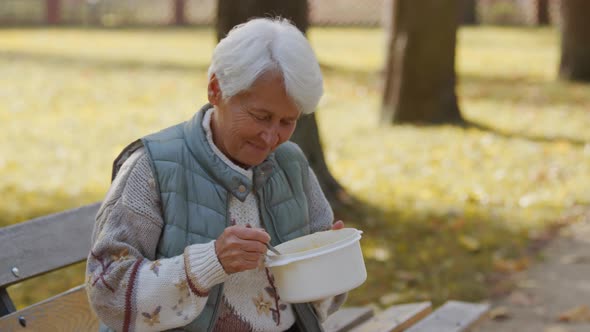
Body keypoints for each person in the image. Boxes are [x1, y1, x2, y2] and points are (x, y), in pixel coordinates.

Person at [86, 17, 346, 332]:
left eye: (286, 122)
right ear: (215, 89)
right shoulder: (152, 168)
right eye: (260, 116)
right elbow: (107, 290)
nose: (270, 138)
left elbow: (319, 302)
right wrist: (208, 264)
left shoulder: (291, 163)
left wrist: (331, 264)